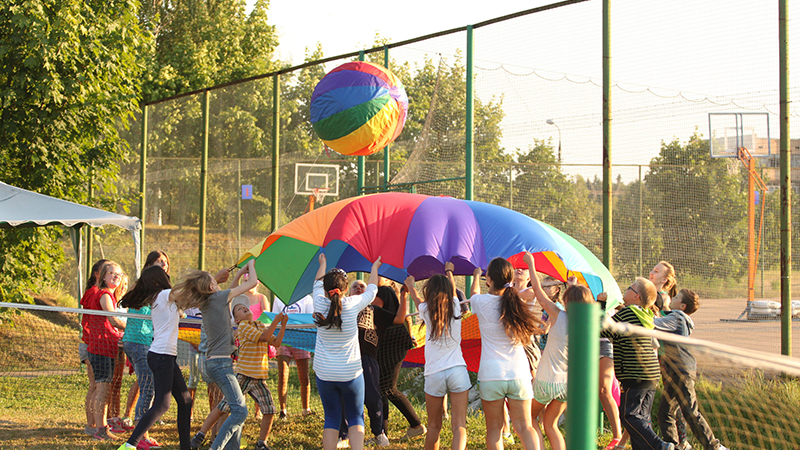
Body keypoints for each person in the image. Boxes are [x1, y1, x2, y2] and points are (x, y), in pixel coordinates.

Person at [169, 261, 257, 450]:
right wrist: (252, 266)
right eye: (214, 280)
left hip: (215, 363)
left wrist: (241, 271)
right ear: (211, 287)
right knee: (240, 412)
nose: (219, 283)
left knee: (235, 408)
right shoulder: (218, 297)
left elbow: (230, 291)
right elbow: (251, 284)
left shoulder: (209, 300)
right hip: (221, 365)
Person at [191, 298, 288, 450]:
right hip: (244, 375)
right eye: (239, 309)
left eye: (245, 307)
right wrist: (276, 321)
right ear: (236, 319)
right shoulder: (243, 326)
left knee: (269, 410)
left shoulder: (259, 325)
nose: (244, 309)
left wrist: (283, 325)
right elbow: (262, 338)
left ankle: (262, 443)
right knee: (223, 407)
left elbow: (275, 343)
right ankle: (200, 435)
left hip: (259, 377)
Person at [469, 257, 545, 450]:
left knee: (494, 430)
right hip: (519, 374)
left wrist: (476, 276)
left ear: (489, 279)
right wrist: (531, 265)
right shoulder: (519, 301)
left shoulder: (480, 302)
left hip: (491, 375)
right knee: (525, 426)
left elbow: (474, 293)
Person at [313, 254, 381, 450]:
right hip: (351, 374)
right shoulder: (353, 304)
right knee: (355, 416)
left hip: (325, 374)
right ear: (345, 290)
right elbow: (373, 290)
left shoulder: (319, 301)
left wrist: (323, 263)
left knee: (332, 418)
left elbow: (317, 282)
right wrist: (374, 267)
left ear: (325, 291)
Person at [526, 253, 592, 450]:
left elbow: (539, 293)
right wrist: (573, 286)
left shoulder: (558, 315)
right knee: (551, 424)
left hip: (547, 380)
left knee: (530, 417)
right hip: (567, 384)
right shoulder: (587, 323)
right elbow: (579, 301)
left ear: (565, 300)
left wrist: (532, 265)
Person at [116, 265, 186, 450]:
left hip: (166, 355)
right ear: (159, 279)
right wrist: (212, 281)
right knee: (162, 404)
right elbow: (185, 290)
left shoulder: (163, 298)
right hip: (161, 355)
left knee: (185, 400)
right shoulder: (163, 295)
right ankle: (130, 444)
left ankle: (186, 446)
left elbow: (183, 304)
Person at [600, 277, 674, 450]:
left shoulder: (629, 313)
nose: (625, 290)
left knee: (629, 416)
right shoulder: (645, 315)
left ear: (637, 297)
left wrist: (601, 305)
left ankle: (659, 445)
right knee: (641, 418)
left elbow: (603, 329)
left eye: (629, 288)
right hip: (651, 375)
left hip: (635, 374)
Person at [404, 261, 469, 450]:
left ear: (429, 292)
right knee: (459, 426)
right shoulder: (456, 305)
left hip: (434, 374)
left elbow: (416, 299)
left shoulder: (425, 310)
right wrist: (450, 270)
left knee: (433, 426)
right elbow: (454, 290)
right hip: (458, 371)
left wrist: (410, 285)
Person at [655, 289, 729, 450]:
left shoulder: (678, 317)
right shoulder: (674, 316)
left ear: (682, 305)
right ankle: (674, 446)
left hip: (681, 370)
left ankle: (714, 446)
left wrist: (641, 312)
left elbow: (654, 324)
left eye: (676, 297)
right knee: (665, 412)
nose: (672, 298)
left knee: (690, 411)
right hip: (675, 371)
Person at [338, 279, 408, 447]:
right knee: (345, 396)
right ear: (348, 292)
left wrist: (404, 296)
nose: (359, 288)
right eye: (355, 286)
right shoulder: (342, 308)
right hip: (346, 358)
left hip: (368, 358)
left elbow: (399, 319)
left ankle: (379, 433)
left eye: (362, 286)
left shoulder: (373, 309)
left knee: (373, 396)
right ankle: (344, 435)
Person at [376, 282, 425, 441]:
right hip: (392, 342)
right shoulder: (389, 292)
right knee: (382, 388)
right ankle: (382, 433)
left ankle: (416, 425)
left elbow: (376, 315)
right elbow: (403, 318)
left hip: (390, 342)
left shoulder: (382, 291)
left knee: (387, 388)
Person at [84, 261, 127, 441]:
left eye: (118, 274)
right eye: (111, 273)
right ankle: (100, 429)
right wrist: (130, 327)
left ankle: (93, 426)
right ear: (102, 276)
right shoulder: (104, 295)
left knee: (98, 388)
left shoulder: (105, 294)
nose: (116, 276)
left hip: (101, 346)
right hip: (101, 348)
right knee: (102, 389)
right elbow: (113, 319)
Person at [271, 294, 314, 419]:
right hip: (283, 340)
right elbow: (275, 319)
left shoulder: (307, 299)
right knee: (283, 375)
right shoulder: (279, 298)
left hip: (301, 340)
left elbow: (310, 319)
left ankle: (306, 410)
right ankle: (282, 411)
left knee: (304, 377)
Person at [80, 258, 109, 436]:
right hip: (91, 344)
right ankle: (92, 425)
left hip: (94, 343)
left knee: (96, 386)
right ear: (97, 274)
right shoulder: (95, 292)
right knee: (96, 387)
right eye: (107, 271)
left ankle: (93, 424)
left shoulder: (100, 293)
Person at [108, 274, 130, 431]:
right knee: (110, 383)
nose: (124, 287)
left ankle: (116, 416)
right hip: (111, 346)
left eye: (127, 284)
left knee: (118, 382)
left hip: (123, 346)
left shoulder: (125, 304)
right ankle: (109, 417)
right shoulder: (110, 303)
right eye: (123, 283)